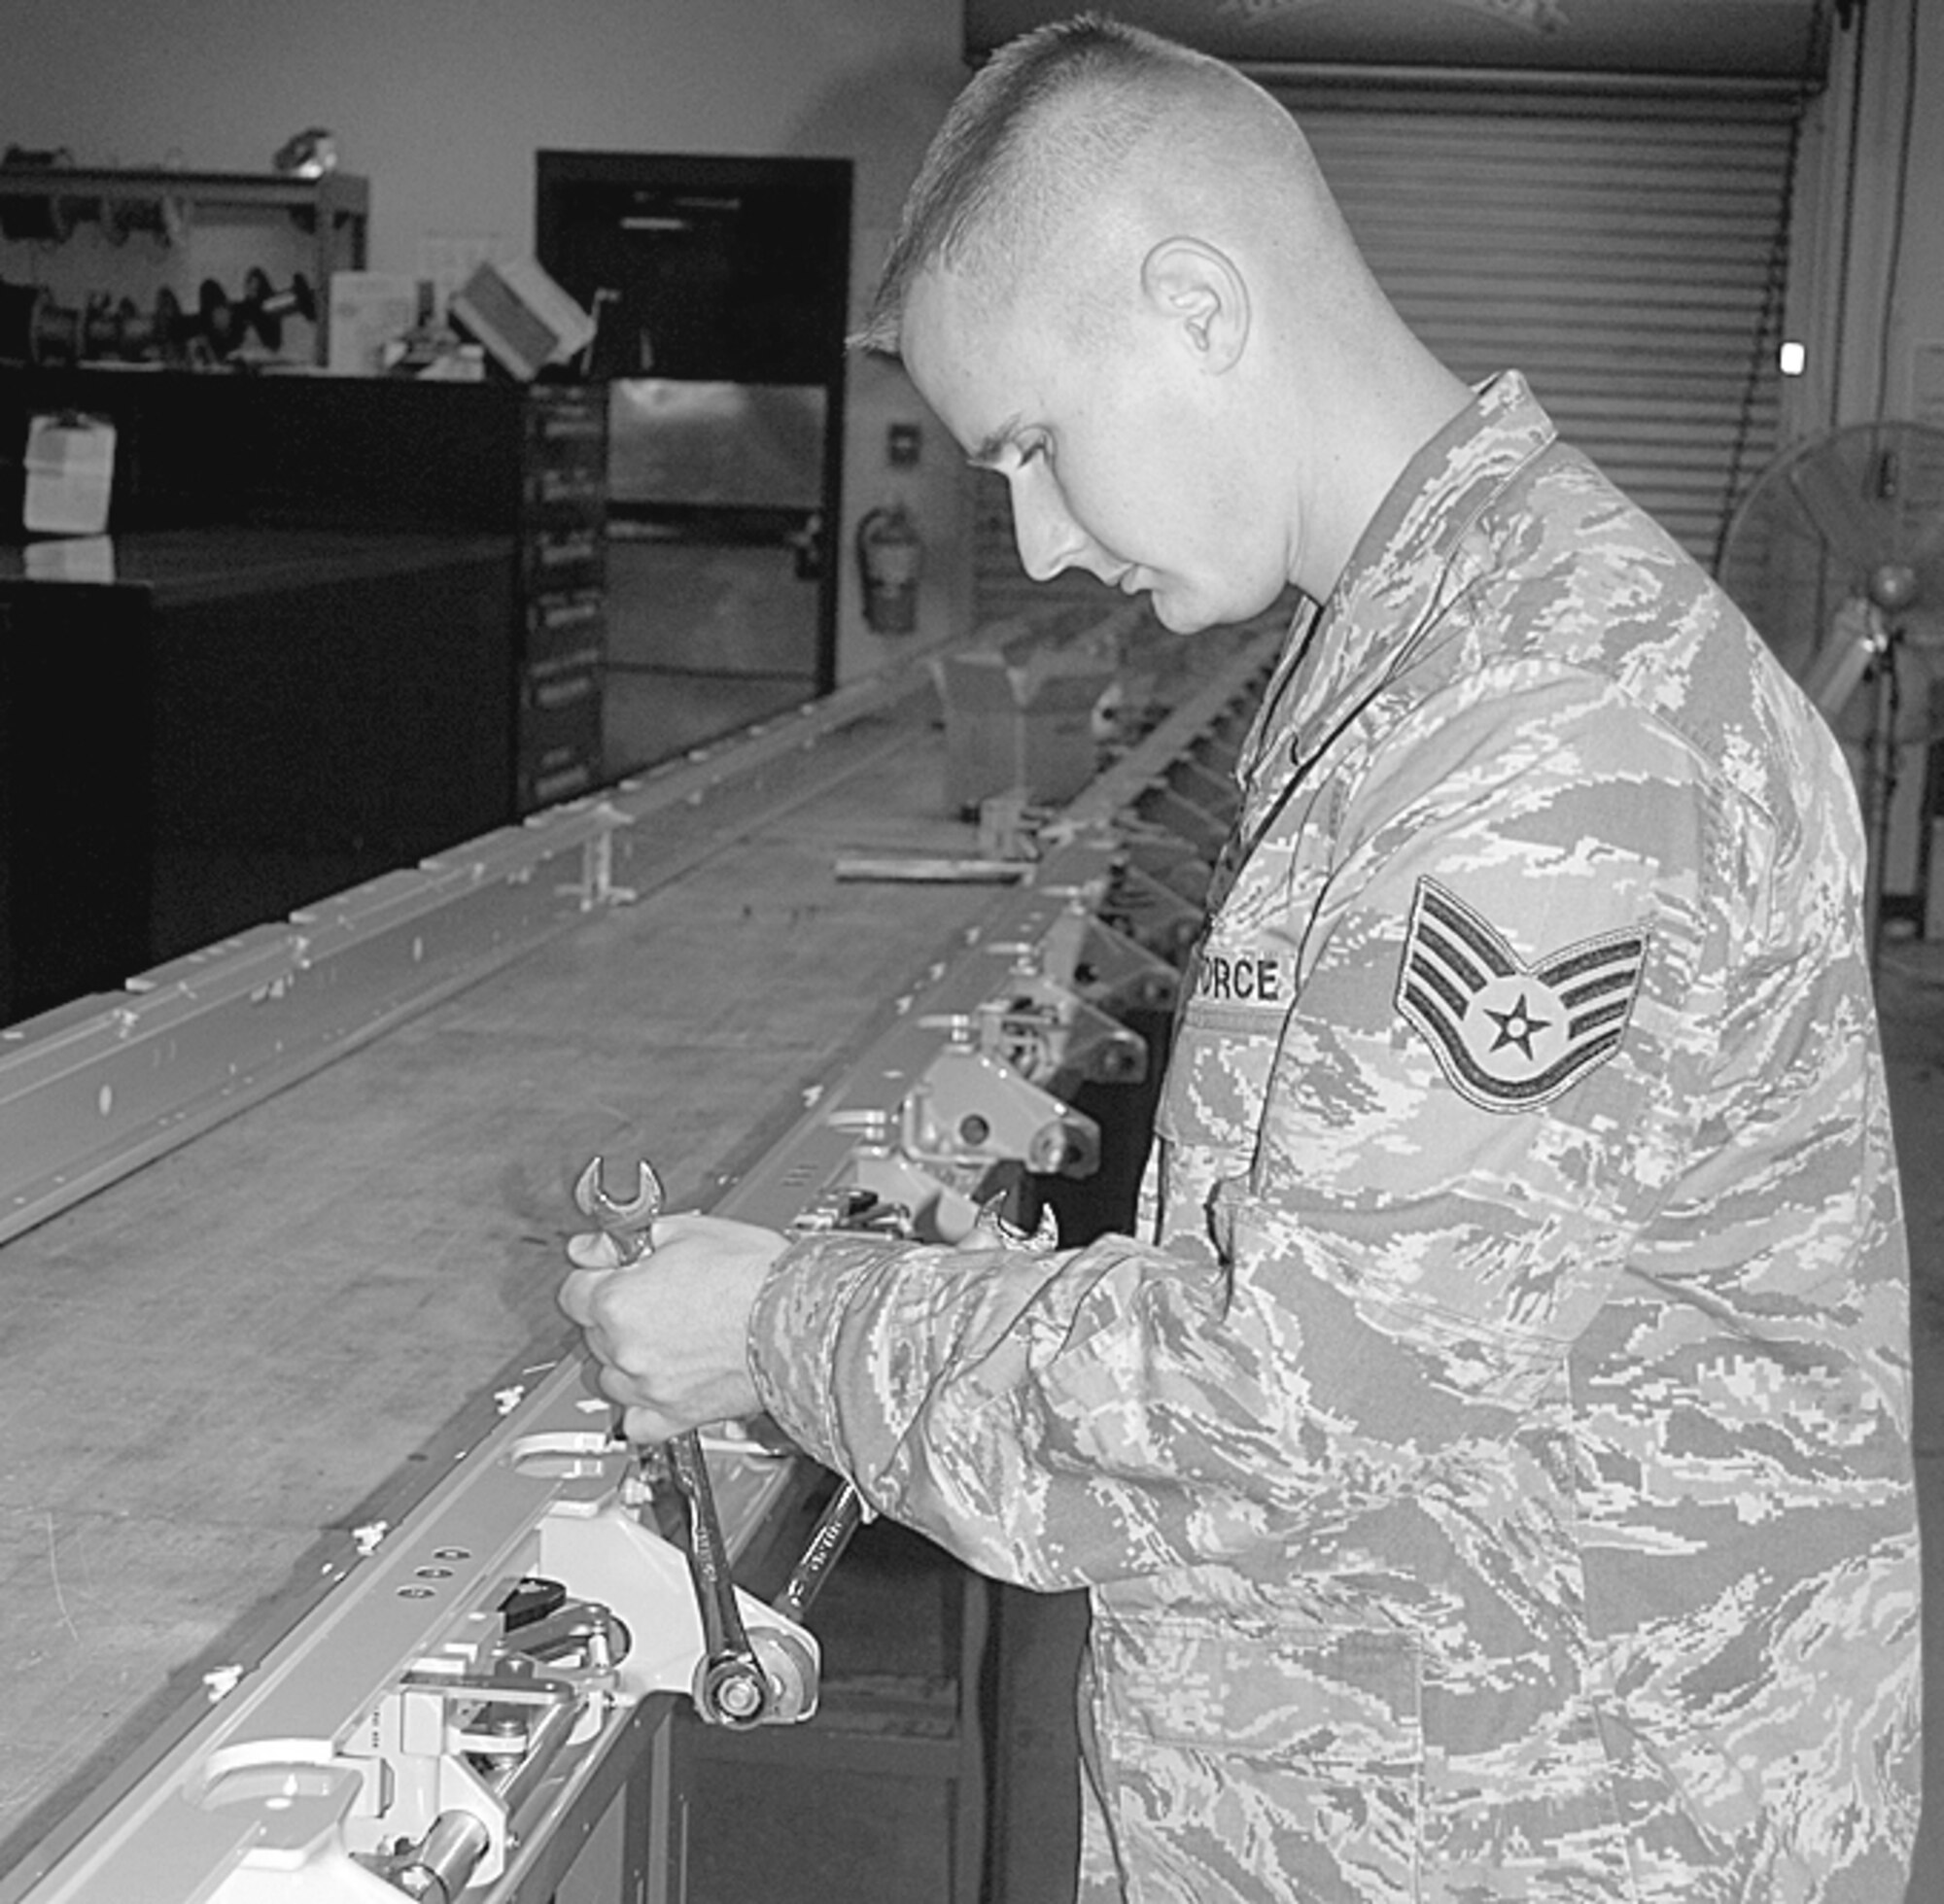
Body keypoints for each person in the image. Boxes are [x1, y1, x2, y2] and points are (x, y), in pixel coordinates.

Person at [560, 15, 1921, 1899]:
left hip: (1553, 1815)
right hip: (1423, 1763)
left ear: (1196, 305)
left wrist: (786, 1323)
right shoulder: (1421, 653)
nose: (1033, 540)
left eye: (1033, 445)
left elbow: (1289, 1405)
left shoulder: (1542, 739)